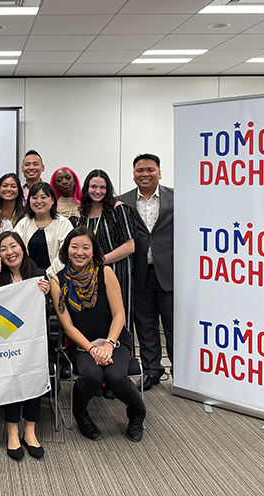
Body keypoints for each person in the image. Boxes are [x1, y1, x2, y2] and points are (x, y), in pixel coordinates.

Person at [50, 227, 146, 442]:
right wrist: (92, 349)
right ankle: (81, 413)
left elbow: (119, 314)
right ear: (67, 250)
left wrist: (109, 345)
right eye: (74, 247)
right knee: (92, 375)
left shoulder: (105, 272)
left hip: (114, 339)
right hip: (80, 343)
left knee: (115, 377)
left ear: (94, 251)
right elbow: (68, 327)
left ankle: (137, 414)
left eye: (86, 247)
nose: (80, 252)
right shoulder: (57, 282)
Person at [0, 232, 50, 461]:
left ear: (22, 247)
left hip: (33, 345)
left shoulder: (40, 275)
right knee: (11, 373)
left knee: (33, 373)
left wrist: (45, 296)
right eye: (3, 249)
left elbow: (52, 313)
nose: (9, 252)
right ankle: (12, 430)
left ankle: (30, 430)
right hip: (4, 348)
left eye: (13, 246)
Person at [117, 153, 174, 391]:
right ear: (133, 174)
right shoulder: (121, 201)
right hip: (138, 274)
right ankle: (152, 370)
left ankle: (181, 372)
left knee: (174, 325)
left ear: (159, 172)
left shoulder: (177, 198)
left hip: (170, 273)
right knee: (146, 326)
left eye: (150, 169)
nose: (145, 174)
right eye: (140, 170)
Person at [69, 170, 137, 327]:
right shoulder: (80, 214)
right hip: (87, 275)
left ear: (108, 189)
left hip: (117, 271)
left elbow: (130, 246)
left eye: (102, 187)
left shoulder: (118, 209)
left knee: (119, 316)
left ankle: (122, 350)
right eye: (93, 187)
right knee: (96, 318)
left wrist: (102, 260)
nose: (98, 191)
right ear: (86, 188)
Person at [13, 182, 74, 270]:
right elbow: (14, 249)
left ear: (52, 200)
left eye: (43, 197)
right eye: (34, 197)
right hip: (27, 276)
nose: (39, 201)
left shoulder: (63, 223)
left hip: (56, 276)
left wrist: (50, 276)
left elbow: (65, 254)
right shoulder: (23, 223)